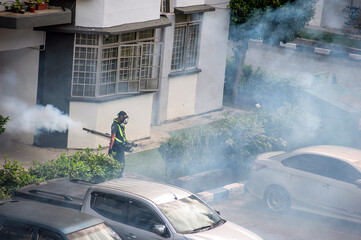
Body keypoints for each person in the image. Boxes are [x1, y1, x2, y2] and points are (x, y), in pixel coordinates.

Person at [108, 111, 129, 177]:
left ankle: (119, 175)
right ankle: (117, 176)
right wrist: (110, 148)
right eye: (124, 118)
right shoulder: (115, 125)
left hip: (121, 147)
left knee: (122, 162)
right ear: (120, 117)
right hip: (116, 147)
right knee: (119, 162)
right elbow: (112, 138)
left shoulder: (120, 125)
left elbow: (122, 136)